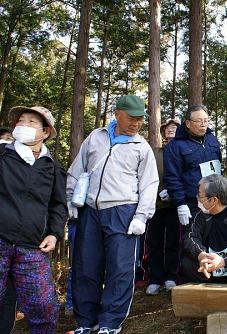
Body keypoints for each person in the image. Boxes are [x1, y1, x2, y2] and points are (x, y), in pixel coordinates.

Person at [67, 95, 159, 334]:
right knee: (86, 266)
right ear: (117, 114)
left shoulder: (142, 147)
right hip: (91, 211)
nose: (136, 124)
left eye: (140, 119)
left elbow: (150, 184)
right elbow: (78, 169)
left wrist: (141, 216)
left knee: (120, 268)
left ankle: (110, 323)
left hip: (124, 211)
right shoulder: (95, 137)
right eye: (132, 118)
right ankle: (86, 322)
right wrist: (70, 199)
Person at [0, 106, 67, 333]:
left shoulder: (53, 167)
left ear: (45, 132)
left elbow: (58, 204)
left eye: (31, 122)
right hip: (0, 240)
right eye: (21, 120)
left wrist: (54, 233)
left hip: (32, 247)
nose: (23, 125)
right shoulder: (3, 155)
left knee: (45, 307)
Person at [164, 104, 222, 228]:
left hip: (215, 199)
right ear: (188, 124)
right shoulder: (175, 146)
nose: (203, 124)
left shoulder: (212, 139)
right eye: (199, 121)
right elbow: (172, 177)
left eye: (206, 121)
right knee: (193, 241)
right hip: (192, 203)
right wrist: (180, 204)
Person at [145, 118, 182, 295]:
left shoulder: (183, 150)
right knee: (155, 242)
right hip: (156, 205)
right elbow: (148, 175)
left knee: (174, 241)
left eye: (174, 127)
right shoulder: (155, 152)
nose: (170, 129)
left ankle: (171, 276)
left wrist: (173, 192)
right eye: (167, 128)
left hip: (177, 205)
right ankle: (155, 278)